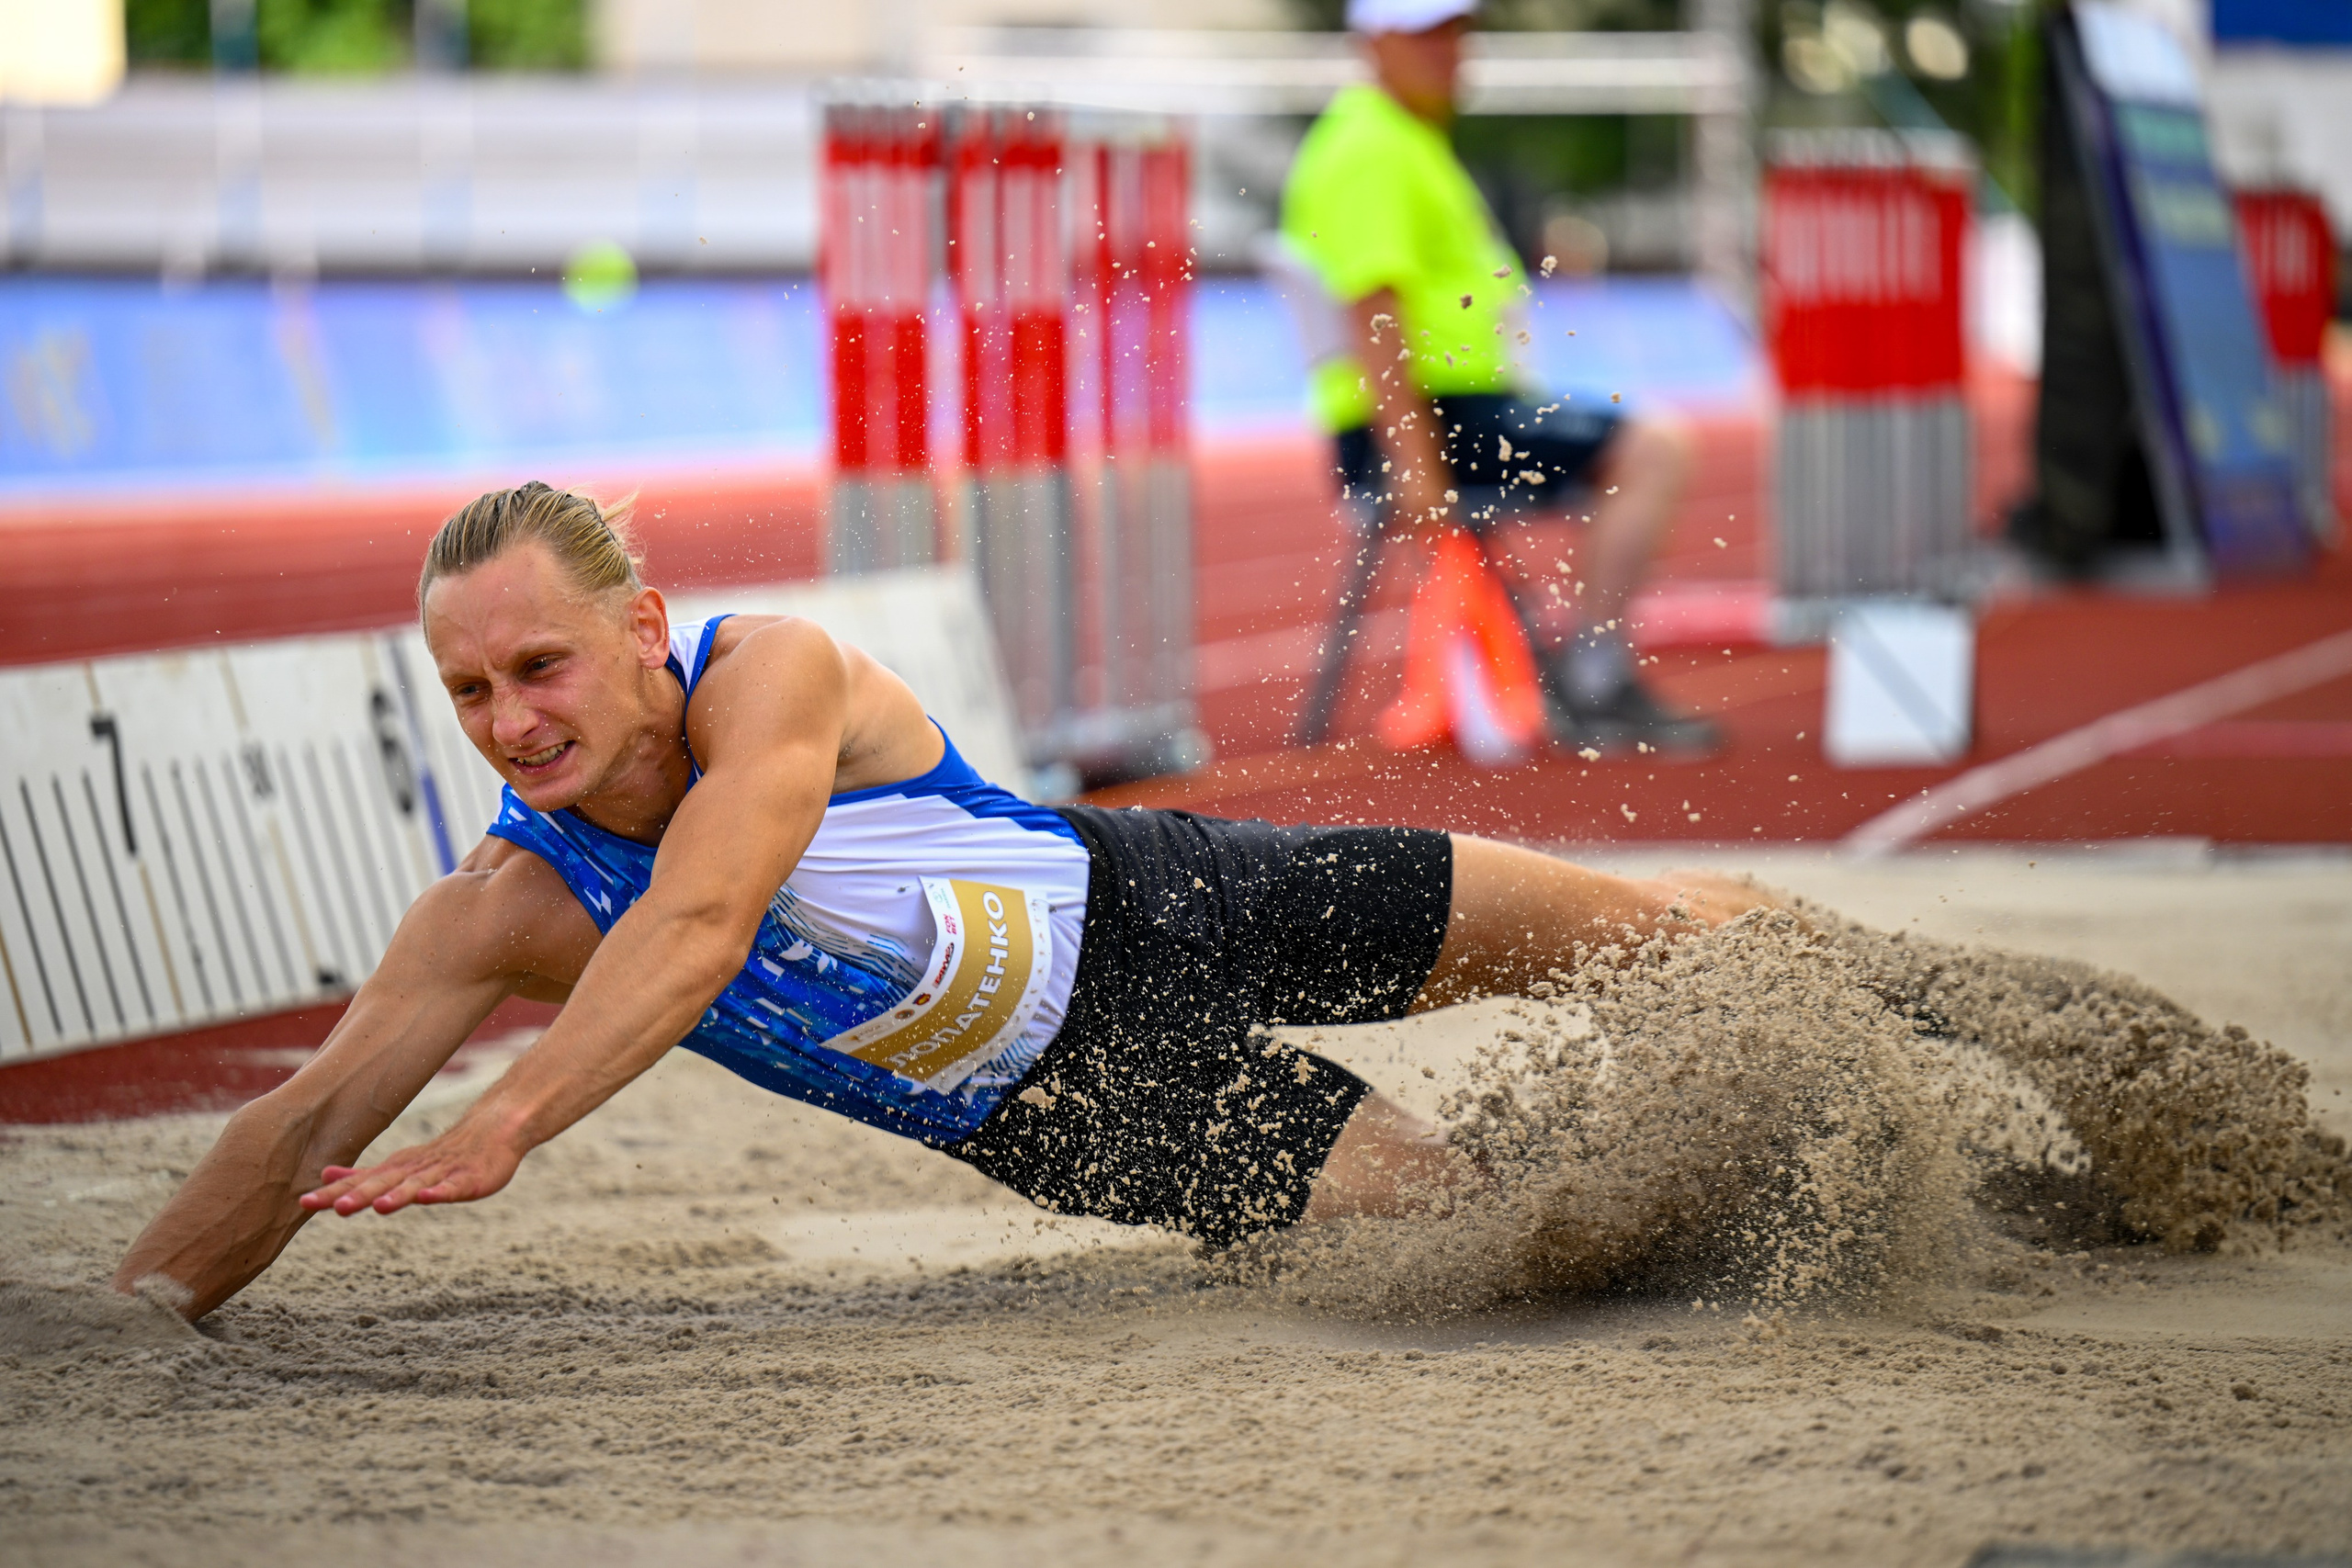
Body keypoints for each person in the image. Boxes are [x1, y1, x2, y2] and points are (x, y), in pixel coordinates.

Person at [111, 484, 1765, 1321]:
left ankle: (1922, 998)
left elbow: (697, 925)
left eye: (538, 663)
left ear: (642, 627)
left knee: (1649, 937)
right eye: (468, 690)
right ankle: (1777, 1197)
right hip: (1080, 1106)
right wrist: (138, 1314)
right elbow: (300, 1122)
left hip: (1165, 900)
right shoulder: (501, 904)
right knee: (1503, 1239)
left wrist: (510, 1120)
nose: (512, 720)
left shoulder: (773, 673)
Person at [1281, 0, 1719, 751]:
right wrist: (1416, 469)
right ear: (1375, 41)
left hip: (1454, 410)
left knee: (1645, 441)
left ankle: (1585, 667)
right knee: (1656, 448)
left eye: (1457, 31)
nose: (1452, 50)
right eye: (1428, 34)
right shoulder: (1370, 148)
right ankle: (1595, 674)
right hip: (1431, 419)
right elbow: (1372, 312)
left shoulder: (1400, 138)